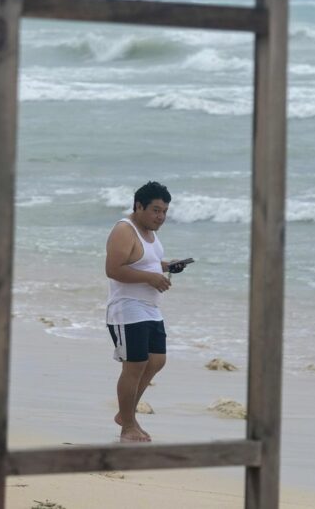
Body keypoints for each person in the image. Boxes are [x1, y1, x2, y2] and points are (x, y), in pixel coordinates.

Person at [104, 181, 191, 443]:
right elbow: (114, 269)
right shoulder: (124, 230)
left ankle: (125, 414)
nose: (160, 216)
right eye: (155, 210)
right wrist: (151, 279)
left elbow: (147, 262)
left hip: (150, 308)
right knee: (136, 364)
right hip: (126, 308)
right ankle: (128, 425)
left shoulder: (150, 232)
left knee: (156, 361)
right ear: (138, 206)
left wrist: (166, 267)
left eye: (164, 211)